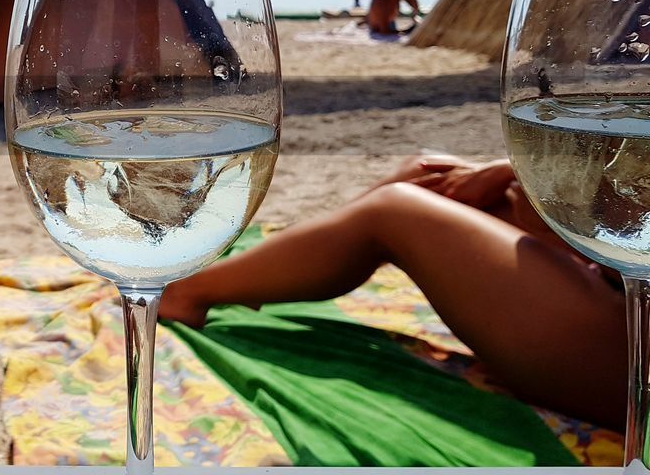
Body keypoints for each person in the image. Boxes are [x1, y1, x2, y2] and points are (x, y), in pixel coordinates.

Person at [160, 154, 625, 429]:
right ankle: (281, 264)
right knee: (437, 180)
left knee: (395, 209)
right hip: (618, 299)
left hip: (629, 362)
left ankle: (191, 293)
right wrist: (506, 173)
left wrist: (516, 172)